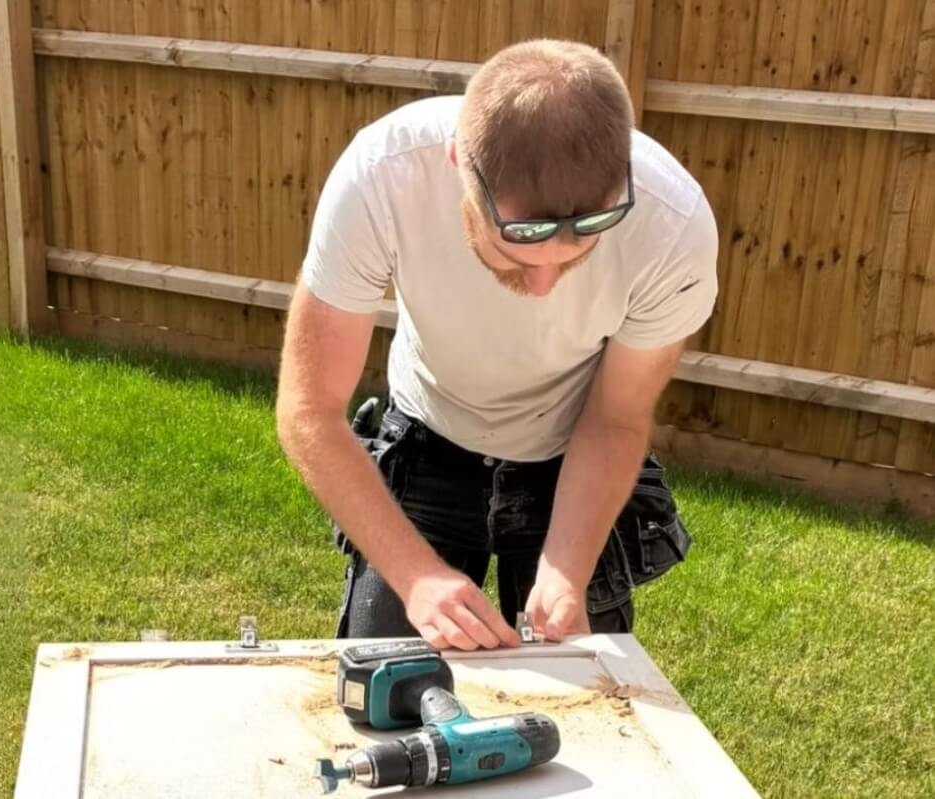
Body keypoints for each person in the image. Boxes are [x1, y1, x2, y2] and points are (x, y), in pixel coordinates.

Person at [276, 39, 718, 651]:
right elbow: (309, 410)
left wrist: (565, 572)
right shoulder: (382, 176)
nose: (540, 288)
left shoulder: (673, 227)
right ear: (459, 162)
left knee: (587, 716)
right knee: (385, 697)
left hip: (570, 462)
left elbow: (617, 416)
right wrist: (417, 576)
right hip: (426, 444)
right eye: (513, 256)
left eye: (574, 258)